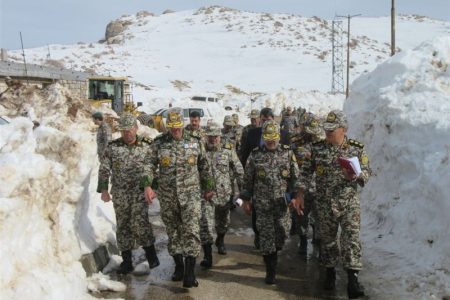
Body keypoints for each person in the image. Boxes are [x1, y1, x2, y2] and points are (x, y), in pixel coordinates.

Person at [298, 110, 371, 299]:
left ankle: (353, 279)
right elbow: (305, 173)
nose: (328, 133)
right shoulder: (317, 148)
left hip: (348, 202)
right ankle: (329, 272)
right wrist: (300, 194)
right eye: (327, 129)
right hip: (325, 203)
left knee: (351, 239)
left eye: (333, 129)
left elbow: (367, 172)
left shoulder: (356, 149)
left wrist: (356, 176)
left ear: (344, 129)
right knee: (328, 240)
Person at [144, 107, 214, 288]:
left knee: (191, 231)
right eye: (172, 127)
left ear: (182, 125)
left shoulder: (195, 142)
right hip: (168, 197)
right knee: (174, 233)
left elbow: (204, 166)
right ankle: (179, 267)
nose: (175, 130)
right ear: (168, 126)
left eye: (178, 127)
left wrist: (208, 188)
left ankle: (190, 273)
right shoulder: (159, 143)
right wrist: (148, 185)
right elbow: (148, 165)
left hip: (191, 196)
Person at [240, 120, 304, 284]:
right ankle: (271, 270)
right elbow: (247, 180)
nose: (270, 141)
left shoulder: (288, 153)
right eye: (267, 138)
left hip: (282, 205)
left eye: (273, 137)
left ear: (278, 137)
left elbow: (296, 178)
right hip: (262, 205)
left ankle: (273, 256)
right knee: (267, 238)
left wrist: (297, 197)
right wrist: (246, 200)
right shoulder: (255, 155)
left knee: (281, 237)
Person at [97, 113, 159, 275]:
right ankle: (127, 261)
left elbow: (155, 168)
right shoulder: (113, 147)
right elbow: (104, 168)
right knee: (123, 225)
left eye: (130, 130)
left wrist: (154, 188)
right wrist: (104, 190)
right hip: (120, 193)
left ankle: (152, 256)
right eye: (124, 131)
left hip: (140, 192)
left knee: (140, 224)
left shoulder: (147, 146)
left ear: (136, 128)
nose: (127, 133)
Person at [199, 121, 244, 268]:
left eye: (216, 137)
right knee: (206, 224)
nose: (213, 140)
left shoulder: (228, 150)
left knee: (223, 222)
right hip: (206, 196)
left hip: (224, 194)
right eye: (210, 137)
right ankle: (207, 256)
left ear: (220, 136)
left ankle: (221, 240)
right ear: (206, 137)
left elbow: (238, 169)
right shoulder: (200, 151)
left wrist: (244, 192)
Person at [291, 113, 325, 255]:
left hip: (319, 187)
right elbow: (289, 165)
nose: (312, 135)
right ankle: (303, 241)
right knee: (301, 217)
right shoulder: (296, 143)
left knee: (319, 217)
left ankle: (318, 239)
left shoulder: (324, 144)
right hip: (302, 188)